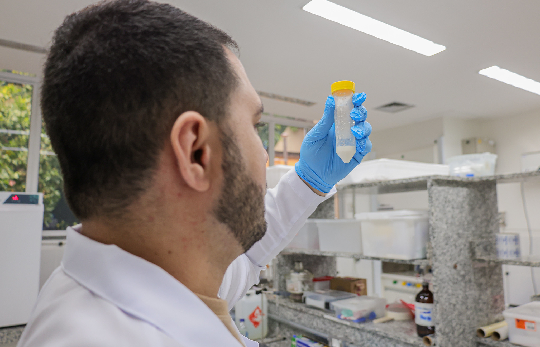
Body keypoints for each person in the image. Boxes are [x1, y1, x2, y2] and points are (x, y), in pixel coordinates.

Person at [17, 1, 372, 347]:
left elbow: (244, 256)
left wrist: (309, 180)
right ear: (196, 151)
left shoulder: (157, 270)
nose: (265, 155)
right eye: (255, 125)